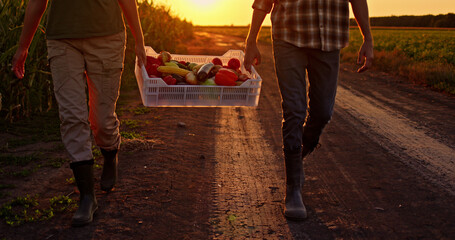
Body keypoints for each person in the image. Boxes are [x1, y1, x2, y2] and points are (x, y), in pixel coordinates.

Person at [11, 0, 147, 227]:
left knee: (102, 120)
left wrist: (140, 41)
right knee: (72, 116)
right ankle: (87, 196)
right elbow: (37, 2)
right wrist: (23, 46)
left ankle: (110, 151)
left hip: (108, 37)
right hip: (62, 39)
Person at [244, 0, 374, 220]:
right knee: (294, 110)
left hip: (329, 41)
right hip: (288, 37)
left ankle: (297, 157)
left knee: (323, 112)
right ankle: (293, 187)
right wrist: (251, 40)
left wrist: (368, 39)